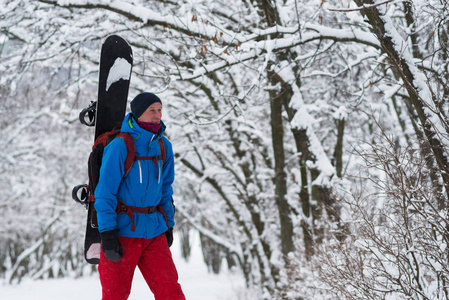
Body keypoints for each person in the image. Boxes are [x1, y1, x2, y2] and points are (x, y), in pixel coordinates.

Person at [94, 92, 186, 300]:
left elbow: (166, 189)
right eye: (151, 110)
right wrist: (108, 233)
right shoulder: (119, 146)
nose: (157, 115)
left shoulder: (164, 146)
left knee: (171, 293)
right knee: (115, 295)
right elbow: (105, 193)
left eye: (159, 110)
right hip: (122, 232)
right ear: (137, 114)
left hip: (154, 232)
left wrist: (168, 224)